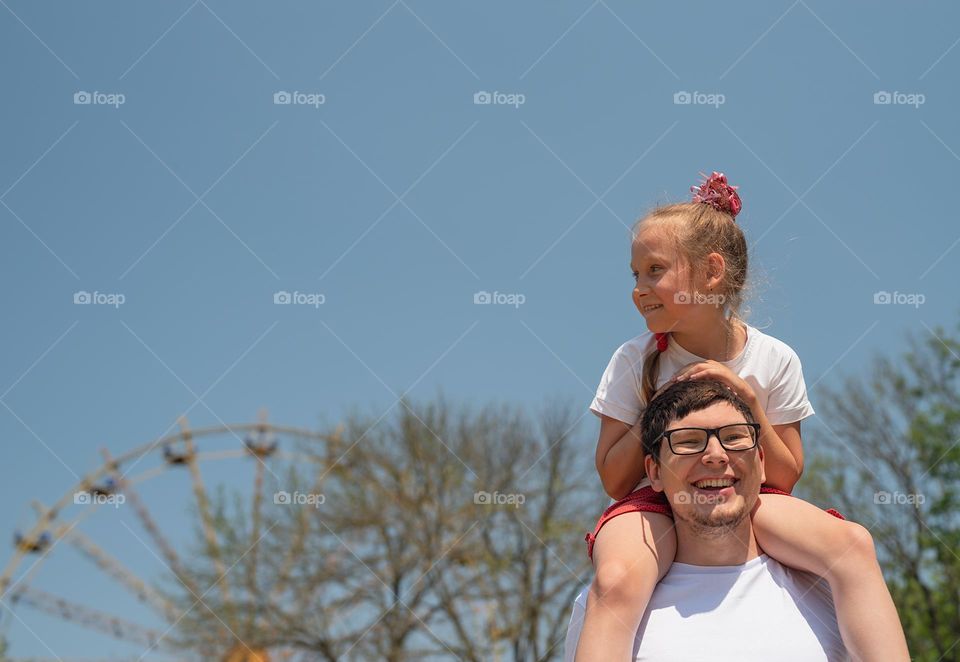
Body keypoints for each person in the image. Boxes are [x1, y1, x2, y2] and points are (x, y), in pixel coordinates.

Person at [573, 172, 908, 661]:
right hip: (654, 499)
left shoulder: (775, 359)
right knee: (618, 579)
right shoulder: (632, 359)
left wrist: (748, 403)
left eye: (655, 270)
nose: (639, 288)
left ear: (710, 272)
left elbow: (787, 474)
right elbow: (614, 478)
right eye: (635, 274)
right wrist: (659, 410)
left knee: (852, 544)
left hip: (752, 496)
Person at [565, 379, 856, 661]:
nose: (716, 456)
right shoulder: (608, 607)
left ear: (762, 462)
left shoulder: (830, 590)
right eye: (688, 441)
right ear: (654, 473)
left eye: (734, 438)